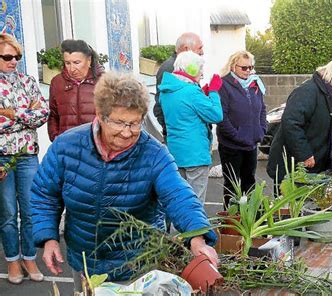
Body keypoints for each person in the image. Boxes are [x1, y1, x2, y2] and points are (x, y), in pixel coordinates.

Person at [30, 72, 218, 288]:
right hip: (84, 261)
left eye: (135, 123)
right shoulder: (66, 147)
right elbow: (45, 194)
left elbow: (179, 196)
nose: (127, 132)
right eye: (119, 123)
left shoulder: (154, 154)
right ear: (100, 115)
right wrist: (48, 237)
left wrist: (197, 237)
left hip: (136, 265)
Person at [0, 34, 49, 284]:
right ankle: (12, 262)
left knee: (31, 210)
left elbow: (42, 114)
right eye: (7, 57)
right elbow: (30, 116)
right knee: (7, 213)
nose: (13, 61)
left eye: (17, 57)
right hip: (1, 159)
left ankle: (30, 258)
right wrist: (24, 115)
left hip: (28, 155)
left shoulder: (28, 81)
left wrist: (10, 112)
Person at [159, 51, 223, 203]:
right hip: (195, 155)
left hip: (176, 153)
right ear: (192, 69)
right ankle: (195, 228)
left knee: (179, 202)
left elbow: (186, 111)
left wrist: (202, 95)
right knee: (195, 203)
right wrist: (213, 93)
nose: (201, 74)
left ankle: (175, 228)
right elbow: (216, 115)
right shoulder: (191, 92)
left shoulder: (166, 91)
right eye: (200, 69)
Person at [217, 50, 267, 208]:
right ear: (233, 66)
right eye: (244, 68)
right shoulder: (223, 84)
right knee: (232, 186)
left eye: (251, 67)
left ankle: (251, 219)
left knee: (250, 182)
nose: (248, 71)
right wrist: (236, 135)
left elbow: (262, 109)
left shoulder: (255, 83)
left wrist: (261, 130)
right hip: (231, 146)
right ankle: (230, 221)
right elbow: (221, 116)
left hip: (251, 144)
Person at [48, 39, 105, 141]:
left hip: (97, 145)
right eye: (67, 63)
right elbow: (53, 114)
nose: (72, 68)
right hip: (67, 144)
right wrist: (56, 137)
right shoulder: (57, 82)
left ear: (89, 60)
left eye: (77, 62)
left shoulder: (104, 81)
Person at [153, 32, 204, 143]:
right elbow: (161, 106)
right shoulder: (171, 68)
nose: (202, 52)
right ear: (186, 49)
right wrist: (172, 131)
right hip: (183, 140)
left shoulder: (185, 65)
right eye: (199, 48)